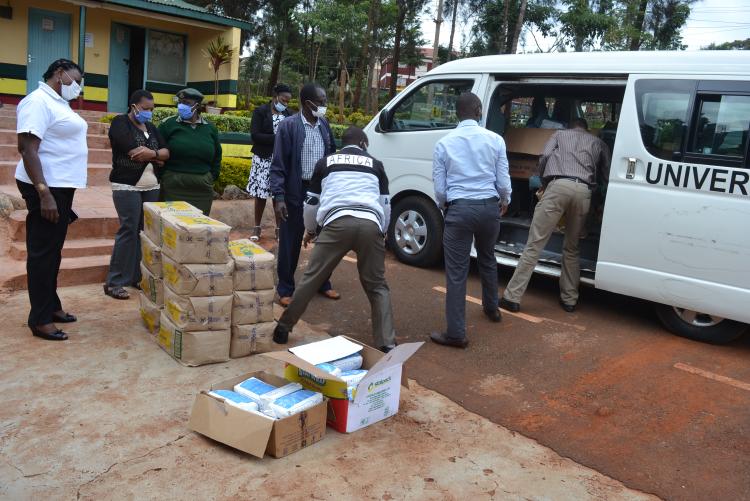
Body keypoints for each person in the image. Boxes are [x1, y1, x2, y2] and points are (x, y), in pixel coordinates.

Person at [273, 127, 396, 352]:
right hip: (370, 224)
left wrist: (310, 230)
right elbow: (386, 204)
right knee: (377, 286)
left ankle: (283, 328)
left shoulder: (325, 163)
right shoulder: (376, 164)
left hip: (336, 223)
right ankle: (386, 343)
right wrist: (383, 231)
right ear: (364, 145)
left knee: (311, 278)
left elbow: (311, 203)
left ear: (343, 144)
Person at [501, 118, 610, 314]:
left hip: (558, 186)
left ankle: (512, 297)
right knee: (572, 247)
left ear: (570, 126)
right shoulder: (598, 142)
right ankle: (569, 300)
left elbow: (544, 157)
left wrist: (543, 182)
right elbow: (606, 174)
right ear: (586, 129)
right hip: (584, 191)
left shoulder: (559, 135)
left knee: (535, 244)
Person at [429, 92, 512, 349]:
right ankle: (492, 308)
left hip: (459, 210)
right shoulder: (495, 140)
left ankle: (456, 334)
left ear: (457, 113)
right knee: (488, 257)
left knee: (457, 273)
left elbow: (440, 188)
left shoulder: (443, 144)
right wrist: (505, 200)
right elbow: (503, 180)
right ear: (478, 111)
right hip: (489, 208)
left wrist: (446, 206)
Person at [15, 59, 87, 341]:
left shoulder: (58, 103)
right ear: (60, 73)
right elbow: (27, 149)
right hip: (45, 187)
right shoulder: (37, 102)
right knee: (43, 253)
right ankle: (40, 319)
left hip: (60, 186)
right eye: (76, 79)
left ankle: (51, 306)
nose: (79, 86)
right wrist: (44, 193)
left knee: (53, 250)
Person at [270, 82, 340, 307]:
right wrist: (279, 197)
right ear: (308, 103)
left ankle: (323, 282)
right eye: (321, 102)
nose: (324, 105)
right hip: (295, 190)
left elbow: (332, 154)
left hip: (320, 190)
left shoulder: (324, 125)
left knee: (324, 239)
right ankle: (285, 288)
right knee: (290, 241)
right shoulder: (288, 126)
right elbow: (278, 164)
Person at [104, 90, 170, 300]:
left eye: (152, 109)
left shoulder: (151, 127)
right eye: (145, 108)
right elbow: (131, 150)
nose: (149, 113)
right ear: (133, 106)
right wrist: (157, 155)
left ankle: (135, 277)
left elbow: (167, 152)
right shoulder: (120, 123)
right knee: (128, 230)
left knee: (144, 233)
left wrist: (153, 154)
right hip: (127, 186)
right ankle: (114, 281)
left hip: (152, 186)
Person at [158, 88, 221, 215]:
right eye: (180, 102)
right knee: (173, 224)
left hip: (201, 189)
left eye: (186, 103)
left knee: (198, 226)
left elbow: (217, 155)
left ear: (197, 106)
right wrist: (164, 176)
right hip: (173, 185)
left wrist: (211, 177)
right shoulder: (168, 125)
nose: (181, 106)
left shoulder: (210, 128)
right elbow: (158, 151)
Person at [247, 83, 292, 241]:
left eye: (288, 101)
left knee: (278, 194)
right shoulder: (260, 112)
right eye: (283, 100)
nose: (285, 104)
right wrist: (278, 139)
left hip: (281, 160)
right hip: (263, 159)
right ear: (275, 97)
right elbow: (255, 135)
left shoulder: (289, 114)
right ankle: (257, 227)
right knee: (260, 195)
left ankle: (279, 229)